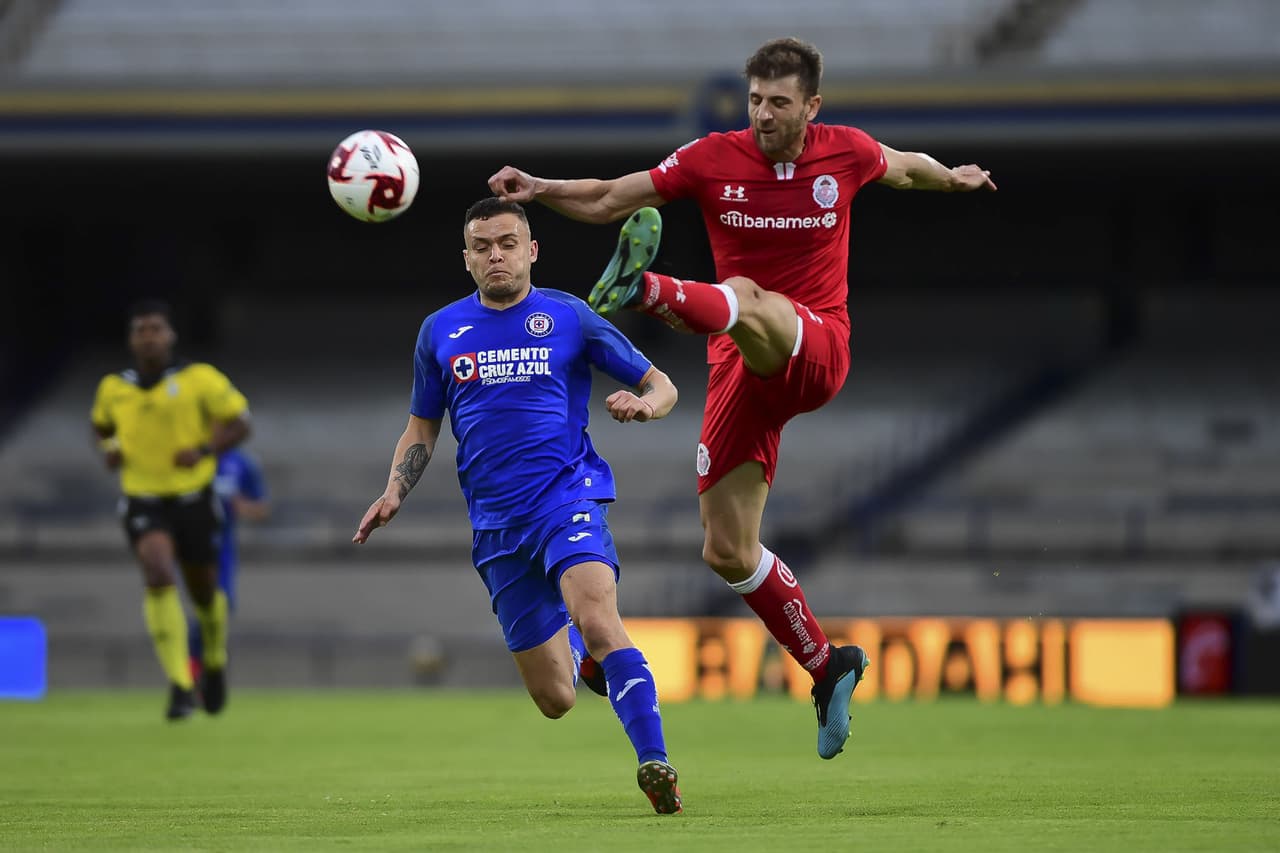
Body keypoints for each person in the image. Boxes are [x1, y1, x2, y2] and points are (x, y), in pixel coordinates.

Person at [489, 36, 997, 760]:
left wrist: (954, 178)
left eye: (779, 103)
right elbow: (609, 197)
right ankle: (827, 664)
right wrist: (539, 189)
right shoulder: (713, 157)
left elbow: (908, 168)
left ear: (812, 106)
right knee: (726, 547)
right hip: (737, 365)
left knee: (747, 297)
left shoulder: (847, 152)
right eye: (755, 100)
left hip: (814, 344)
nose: (762, 115)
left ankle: (649, 290)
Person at [353, 198, 684, 815]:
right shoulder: (439, 330)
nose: (496, 255)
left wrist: (646, 407)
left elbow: (660, 384)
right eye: (482, 247)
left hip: (567, 499)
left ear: (531, 251)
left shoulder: (570, 315)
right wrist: (395, 489)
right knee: (556, 698)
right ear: (467, 259)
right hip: (495, 527)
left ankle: (654, 761)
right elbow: (422, 426)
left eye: (507, 243)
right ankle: (584, 658)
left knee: (598, 618)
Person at [91, 299, 251, 720]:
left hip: (193, 498)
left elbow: (241, 422)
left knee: (203, 592)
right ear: (131, 339)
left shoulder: (200, 379)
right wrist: (110, 448)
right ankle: (180, 685)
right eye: (141, 330)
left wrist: (204, 450)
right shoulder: (114, 388)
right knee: (158, 572)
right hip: (143, 498)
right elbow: (101, 426)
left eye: (156, 329)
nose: (149, 337)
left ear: (171, 335)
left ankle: (213, 659)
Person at [187, 447, 271, 682]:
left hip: (222, 547)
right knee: (200, 607)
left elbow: (262, 508)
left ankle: (204, 669)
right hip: (190, 542)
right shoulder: (192, 455)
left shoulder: (242, 463)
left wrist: (242, 506)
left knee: (220, 605)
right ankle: (194, 671)